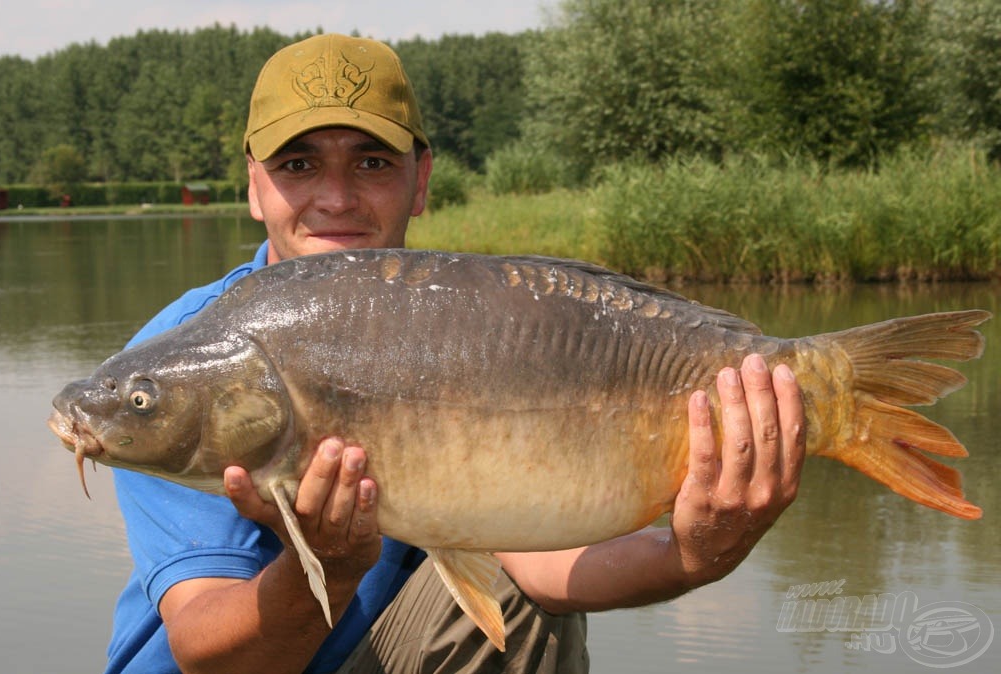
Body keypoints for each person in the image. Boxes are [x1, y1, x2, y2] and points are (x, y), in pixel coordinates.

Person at [105, 33, 805, 674]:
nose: (336, 197)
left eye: (372, 162)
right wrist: (325, 567)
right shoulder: (183, 367)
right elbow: (206, 654)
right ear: (254, 183)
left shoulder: (475, 320)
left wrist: (691, 558)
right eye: (299, 164)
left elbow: (539, 570)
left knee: (517, 608)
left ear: (422, 176)